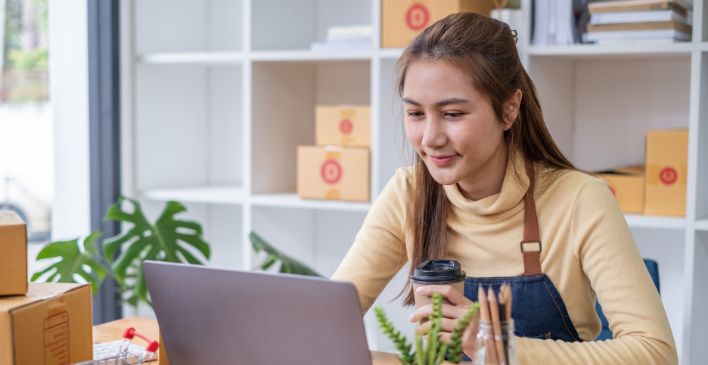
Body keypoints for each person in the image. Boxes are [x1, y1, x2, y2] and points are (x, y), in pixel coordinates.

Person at [331, 12, 677, 365]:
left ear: (509, 110)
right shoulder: (409, 193)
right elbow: (323, 321)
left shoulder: (580, 199)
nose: (430, 138)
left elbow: (655, 353)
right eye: (416, 114)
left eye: (452, 114)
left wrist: (493, 344)